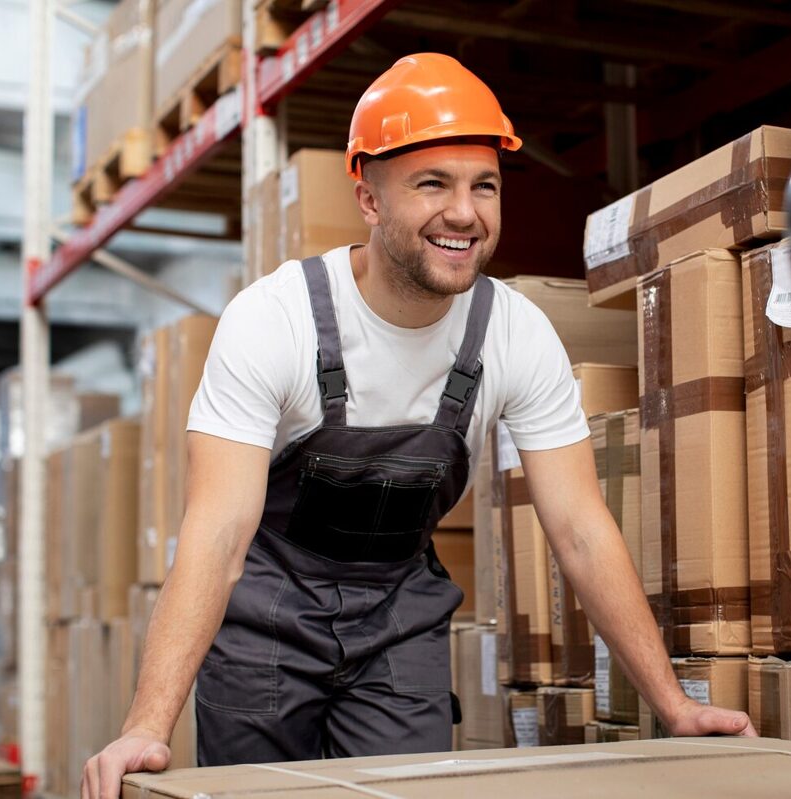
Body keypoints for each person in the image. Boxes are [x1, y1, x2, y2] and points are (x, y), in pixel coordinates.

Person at [81, 52, 755, 799]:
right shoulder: (276, 323)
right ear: (368, 197)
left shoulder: (515, 334)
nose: (464, 213)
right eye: (432, 183)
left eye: (484, 186)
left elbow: (582, 531)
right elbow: (216, 535)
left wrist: (673, 704)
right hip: (265, 628)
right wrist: (147, 724)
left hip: (397, 621)